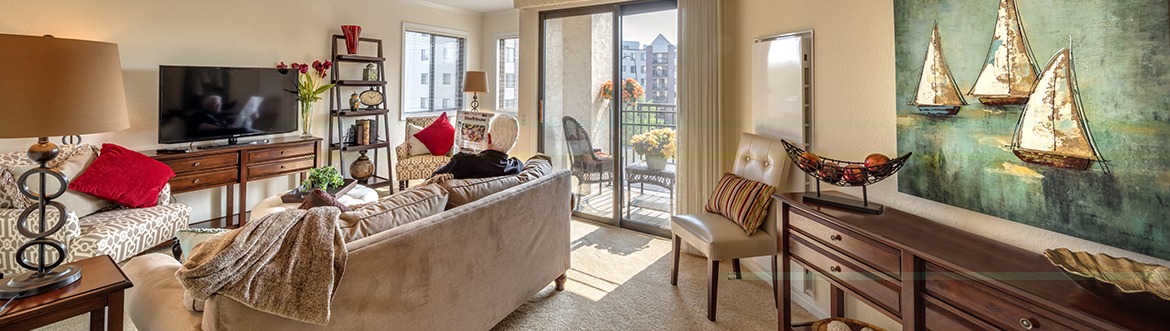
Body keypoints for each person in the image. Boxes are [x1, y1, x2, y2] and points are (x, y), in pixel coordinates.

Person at [432, 113, 523, 179]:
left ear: (489, 138)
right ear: (514, 142)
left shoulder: (461, 161)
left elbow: (432, 179)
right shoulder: (517, 166)